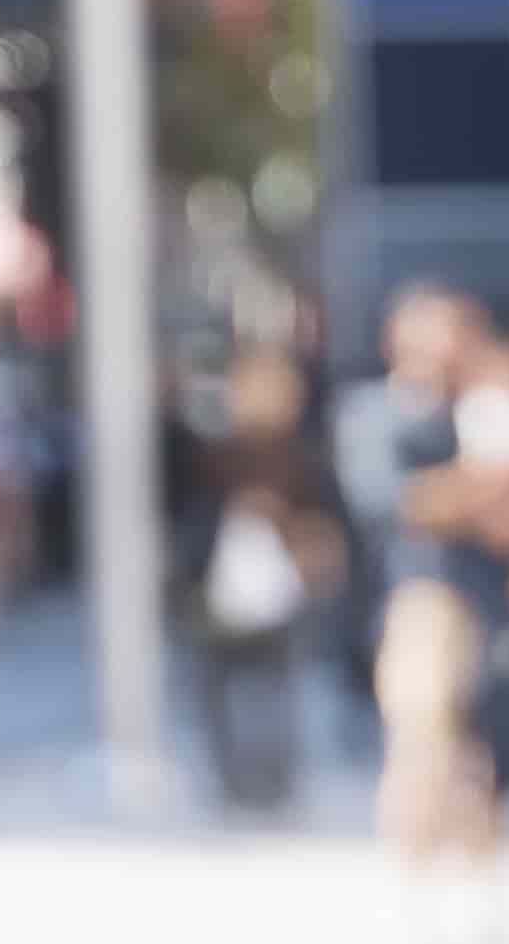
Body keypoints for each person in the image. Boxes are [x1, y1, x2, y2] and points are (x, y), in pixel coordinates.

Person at [340, 284, 509, 934]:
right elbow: (396, 503)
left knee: (483, 756)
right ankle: (413, 881)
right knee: (423, 742)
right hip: (423, 602)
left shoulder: (488, 409)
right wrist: (484, 486)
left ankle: (479, 882)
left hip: (496, 606)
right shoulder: (378, 414)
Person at [188, 344, 346, 814]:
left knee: (277, 683)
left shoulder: (307, 457)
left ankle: (274, 780)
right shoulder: (211, 454)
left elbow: (330, 519)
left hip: (283, 587)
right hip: (217, 584)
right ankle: (233, 778)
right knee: (219, 682)